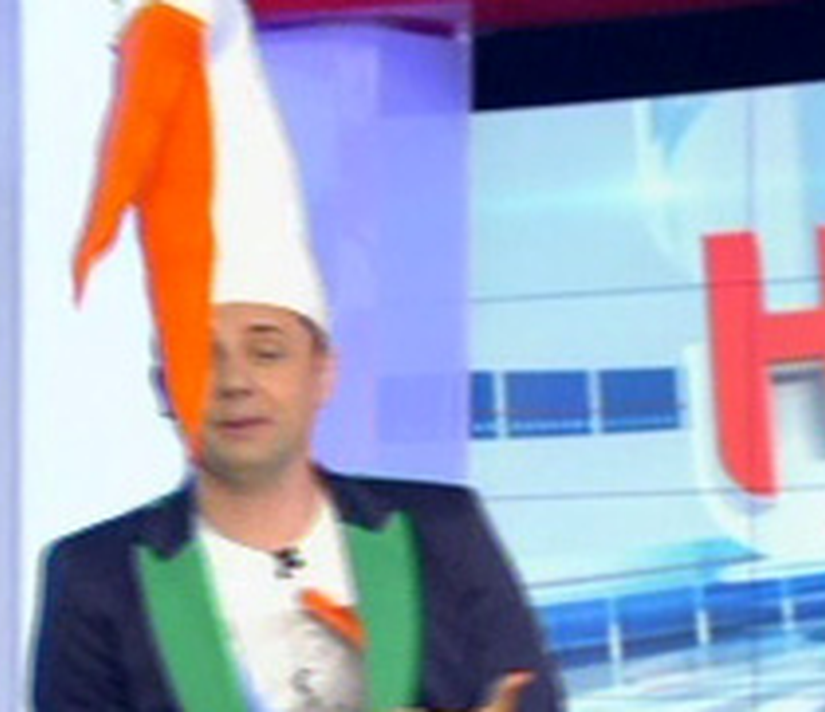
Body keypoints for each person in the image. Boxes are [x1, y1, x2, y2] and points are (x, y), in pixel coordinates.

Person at [35, 0, 564, 707]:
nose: (236, 382)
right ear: (164, 387)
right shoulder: (97, 574)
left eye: (268, 351)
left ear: (324, 372)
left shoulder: (441, 532)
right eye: (203, 355)